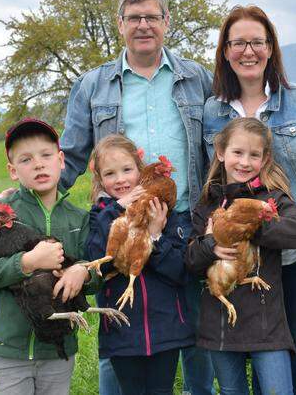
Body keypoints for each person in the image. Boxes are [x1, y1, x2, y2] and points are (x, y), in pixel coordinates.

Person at [59, 0, 215, 395]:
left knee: (194, 324)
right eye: (134, 18)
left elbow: (218, 147)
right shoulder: (94, 85)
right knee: (120, 318)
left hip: (182, 221)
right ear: (120, 24)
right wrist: (23, 201)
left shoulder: (197, 78)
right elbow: (71, 154)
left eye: (151, 16)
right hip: (121, 223)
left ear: (166, 22)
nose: (143, 24)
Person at [202, 5, 296, 394]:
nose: (249, 51)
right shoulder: (212, 111)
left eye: (257, 42)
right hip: (238, 253)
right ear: (225, 51)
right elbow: (208, 176)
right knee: (252, 343)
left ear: (271, 48)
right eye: (238, 42)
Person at [185, 118, 296, 395]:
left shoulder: (272, 199)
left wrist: (251, 228)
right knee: (232, 391)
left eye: (254, 155)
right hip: (221, 322)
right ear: (221, 152)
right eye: (238, 152)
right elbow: (189, 261)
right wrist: (210, 245)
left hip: (266, 324)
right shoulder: (208, 205)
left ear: (265, 159)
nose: (244, 162)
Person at [0, 118, 101, 395]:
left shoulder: (79, 218)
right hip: (7, 351)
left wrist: (83, 272)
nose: (38, 164)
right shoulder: (0, 214)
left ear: (61, 160)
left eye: (46, 155)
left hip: (57, 350)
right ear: (12, 171)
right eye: (26, 159)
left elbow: (100, 275)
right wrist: (27, 262)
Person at [84, 134, 194, 395]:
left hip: (166, 328)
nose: (120, 179)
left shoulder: (166, 213)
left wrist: (155, 235)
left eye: (127, 170)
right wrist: (117, 209)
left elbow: (180, 271)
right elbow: (97, 259)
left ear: (139, 169)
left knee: (161, 391)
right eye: (110, 174)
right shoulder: (100, 215)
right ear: (100, 179)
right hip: (122, 330)